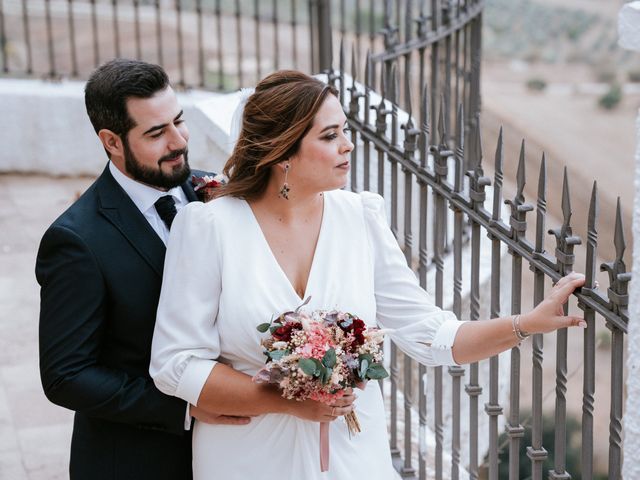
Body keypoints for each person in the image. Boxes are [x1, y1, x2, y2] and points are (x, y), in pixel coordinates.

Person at [150, 70, 586, 480]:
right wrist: (286, 400)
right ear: (282, 151)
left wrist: (526, 324)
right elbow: (176, 364)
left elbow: (431, 335)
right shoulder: (209, 227)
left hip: (354, 456)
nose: (348, 145)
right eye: (330, 135)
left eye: (345, 130)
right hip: (248, 457)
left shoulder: (360, 217)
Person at [35, 58, 249, 480]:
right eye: (156, 132)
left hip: (232, 453)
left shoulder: (216, 193)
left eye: (179, 121)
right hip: (137, 460)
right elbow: (66, 376)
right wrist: (186, 406)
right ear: (112, 141)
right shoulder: (76, 241)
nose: (179, 141)